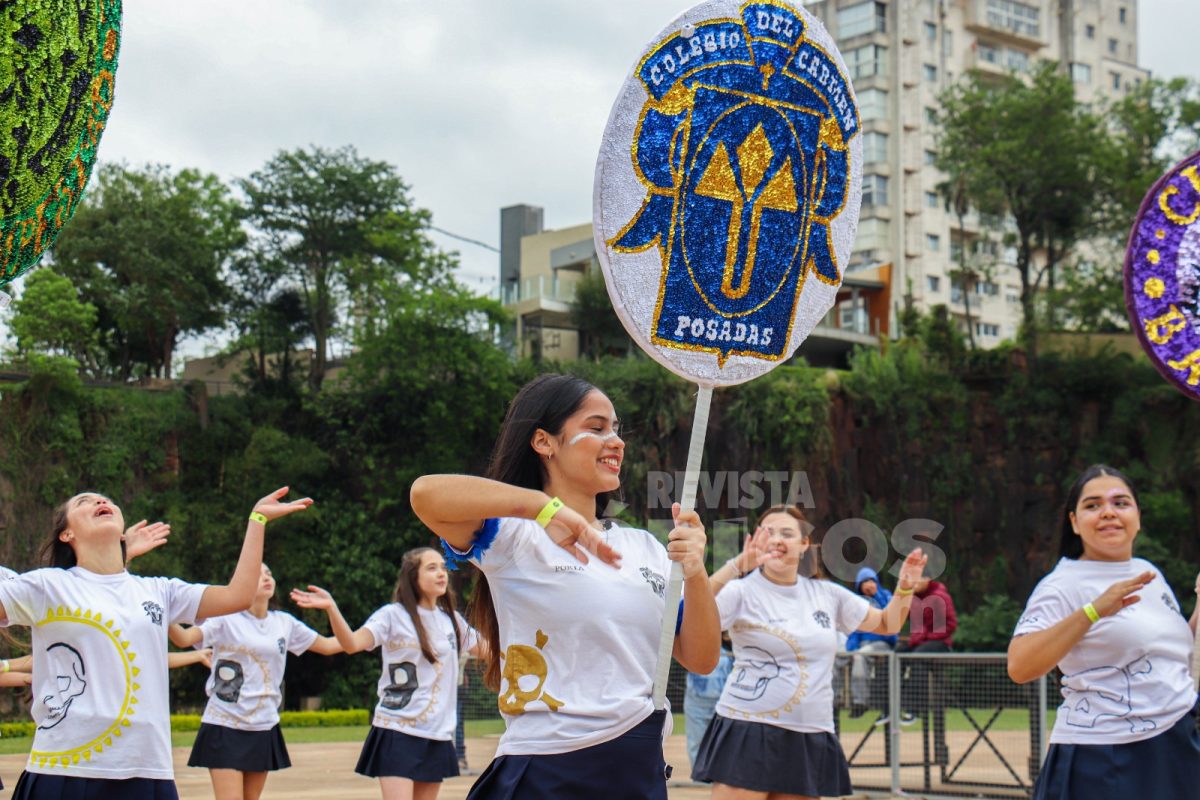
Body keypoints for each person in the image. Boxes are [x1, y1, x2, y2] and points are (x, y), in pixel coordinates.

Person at [408, 373, 720, 800]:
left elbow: (701, 658)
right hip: (547, 771)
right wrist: (541, 507)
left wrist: (696, 570)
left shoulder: (646, 547)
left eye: (616, 429)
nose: (616, 441)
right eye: (596, 428)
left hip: (637, 772)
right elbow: (425, 495)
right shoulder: (513, 535)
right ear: (544, 442)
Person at [0, 487, 311, 799]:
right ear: (66, 534)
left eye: (107, 499)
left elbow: (238, 595)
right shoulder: (47, 586)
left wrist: (257, 520)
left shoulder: (159, 591)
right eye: (84, 501)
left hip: (147, 770)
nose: (100, 501)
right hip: (65, 770)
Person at [693, 504, 926, 799]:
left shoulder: (826, 594)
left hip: (809, 733)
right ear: (755, 539)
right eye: (769, 532)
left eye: (788, 533)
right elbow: (687, 613)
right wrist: (737, 565)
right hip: (748, 729)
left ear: (804, 544)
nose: (778, 539)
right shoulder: (741, 591)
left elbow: (887, 623)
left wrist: (904, 589)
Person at [1009, 464, 1200, 800]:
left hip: (1175, 742)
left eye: (1121, 503)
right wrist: (1093, 611)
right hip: (1106, 756)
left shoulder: (1147, 571)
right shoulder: (1062, 584)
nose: (1108, 512)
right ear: (1074, 521)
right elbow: (1020, 666)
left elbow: (1163, 655)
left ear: (1138, 516)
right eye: (1093, 505)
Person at [292, 547, 483, 800]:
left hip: (436, 732)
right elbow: (350, 644)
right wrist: (331, 608)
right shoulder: (392, 616)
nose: (441, 573)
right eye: (431, 567)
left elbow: (491, 651)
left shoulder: (452, 620)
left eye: (443, 567)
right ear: (413, 577)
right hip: (398, 730)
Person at [169, 563, 342, 800]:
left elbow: (332, 645)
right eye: (257, 574)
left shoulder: (284, 622)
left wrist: (332, 608)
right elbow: (184, 638)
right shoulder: (225, 619)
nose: (266, 578)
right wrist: (162, 611)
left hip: (263, 725)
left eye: (269, 573)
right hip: (224, 723)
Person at [896, 567, 957, 724]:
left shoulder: (940, 596)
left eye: (918, 579)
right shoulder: (913, 598)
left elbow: (951, 624)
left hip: (939, 643)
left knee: (918, 658)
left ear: (928, 579)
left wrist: (928, 636)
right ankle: (889, 704)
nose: (914, 583)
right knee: (895, 655)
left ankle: (914, 709)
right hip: (919, 642)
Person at [845, 567, 896, 719]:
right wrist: (851, 647)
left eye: (871, 580)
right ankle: (831, 700)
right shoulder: (857, 602)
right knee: (837, 655)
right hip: (862, 644)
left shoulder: (886, 596)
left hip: (882, 643)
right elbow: (853, 630)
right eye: (864, 581)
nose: (869, 584)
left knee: (860, 656)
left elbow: (891, 621)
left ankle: (860, 702)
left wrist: (876, 595)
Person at [684, 634, 734, 768]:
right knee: (696, 741)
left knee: (723, 742)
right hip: (697, 701)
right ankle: (700, 777)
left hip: (723, 701)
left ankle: (720, 775)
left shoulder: (731, 650)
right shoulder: (694, 649)